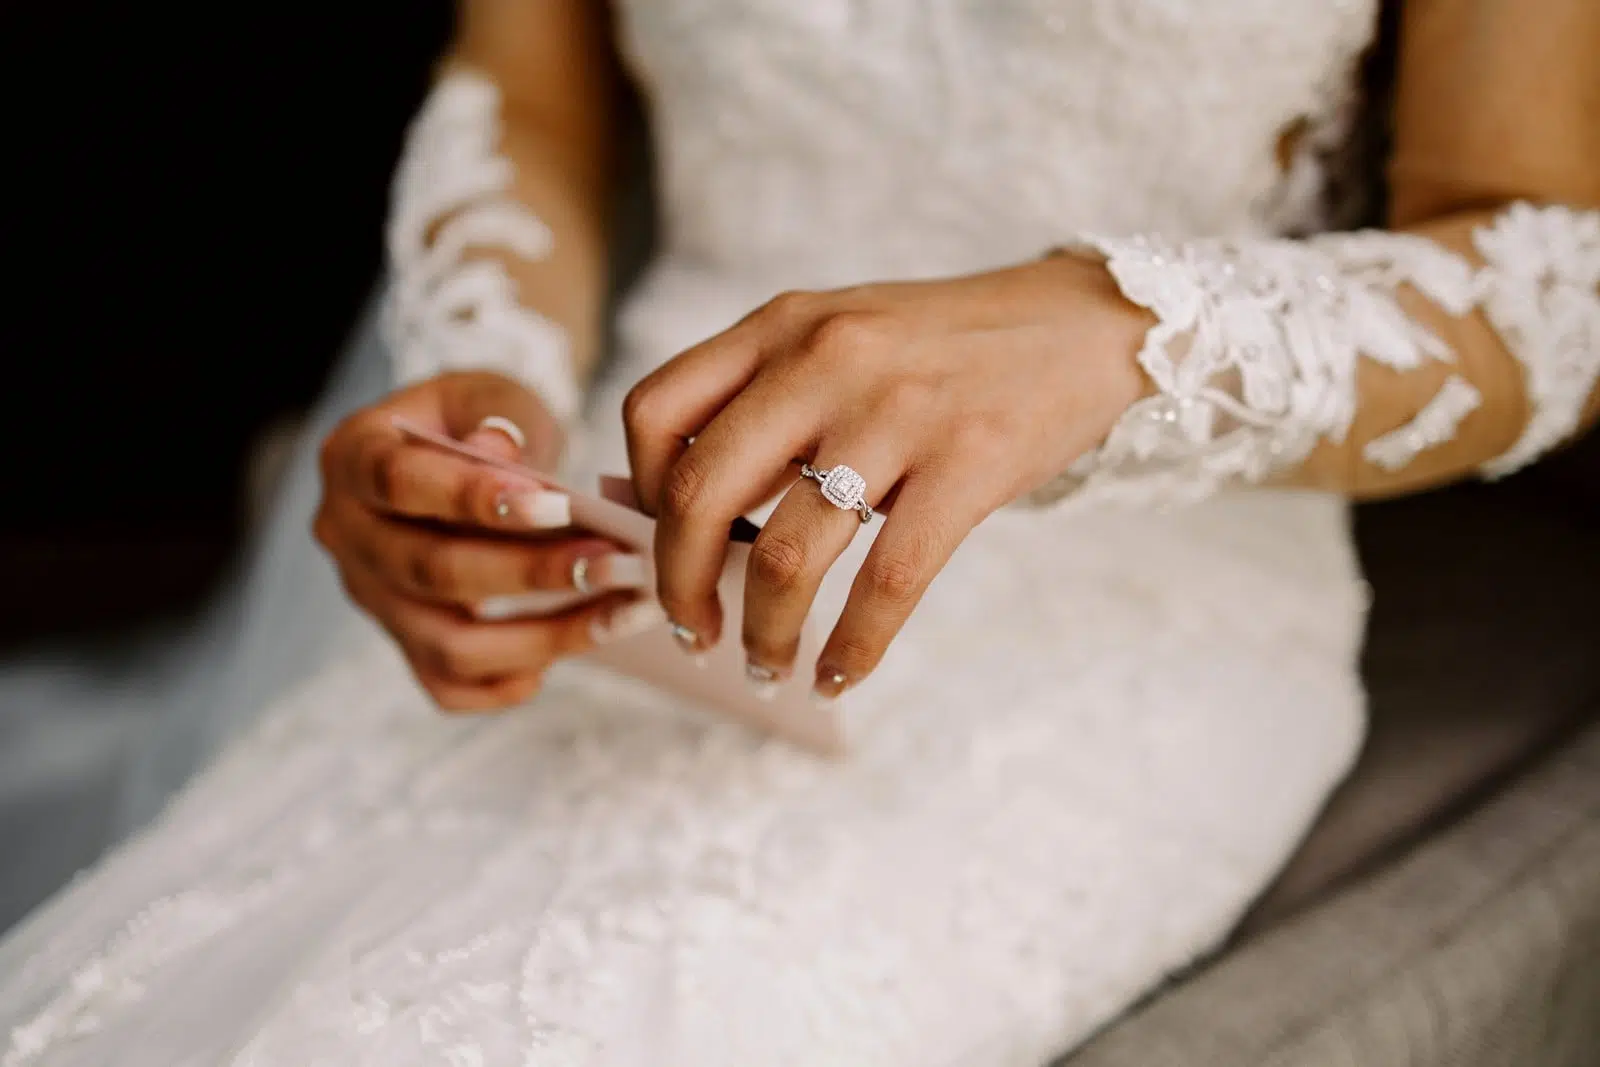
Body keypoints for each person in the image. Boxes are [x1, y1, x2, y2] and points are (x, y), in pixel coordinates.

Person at [3, 1, 1596, 1063]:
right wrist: (480, 379)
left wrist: (1121, 331)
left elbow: (1548, 278)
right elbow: (531, 100)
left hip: (1118, 588)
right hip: (620, 542)